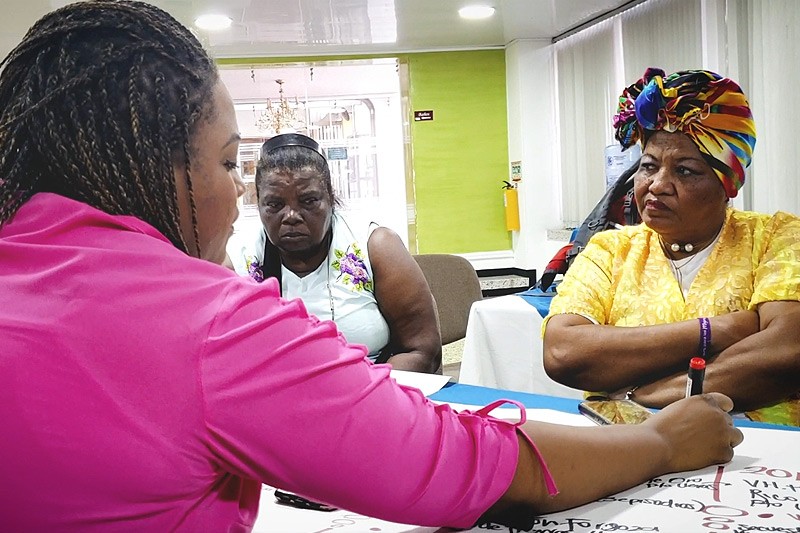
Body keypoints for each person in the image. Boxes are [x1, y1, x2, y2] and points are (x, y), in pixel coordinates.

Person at [0, 4, 742, 531]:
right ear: (150, 169)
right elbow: (456, 461)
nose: (240, 198)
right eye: (230, 165)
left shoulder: (371, 247)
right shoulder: (211, 317)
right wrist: (662, 442)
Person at [543, 68, 800, 426]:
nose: (657, 185)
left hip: (759, 453)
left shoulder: (776, 237)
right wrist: (716, 330)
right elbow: (564, 352)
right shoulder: (610, 250)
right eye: (648, 166)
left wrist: (641, 395)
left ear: (727, 182)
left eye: (686, 171)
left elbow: (786, 352)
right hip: (632, 452)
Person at [226, 133, 441, 373]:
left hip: (371, 392)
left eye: (308, 201)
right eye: (275, 205)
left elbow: (422, 350)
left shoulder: (376, 247)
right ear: (259, 205)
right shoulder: (238, 260)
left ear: (330, 197)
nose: (291, 217)